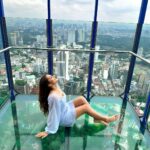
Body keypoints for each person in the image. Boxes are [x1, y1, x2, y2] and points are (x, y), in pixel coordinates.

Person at [36, 74, 119, 138]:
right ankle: (105, 119)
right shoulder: (53, 97)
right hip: (64, 118)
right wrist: (48, 131)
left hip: (65, 109)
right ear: (49, 85)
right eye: (51, 78)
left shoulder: (55, 87)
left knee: (82, 99)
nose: (54, 76)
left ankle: (96, 118)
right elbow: (54, 114)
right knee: (85, 108)